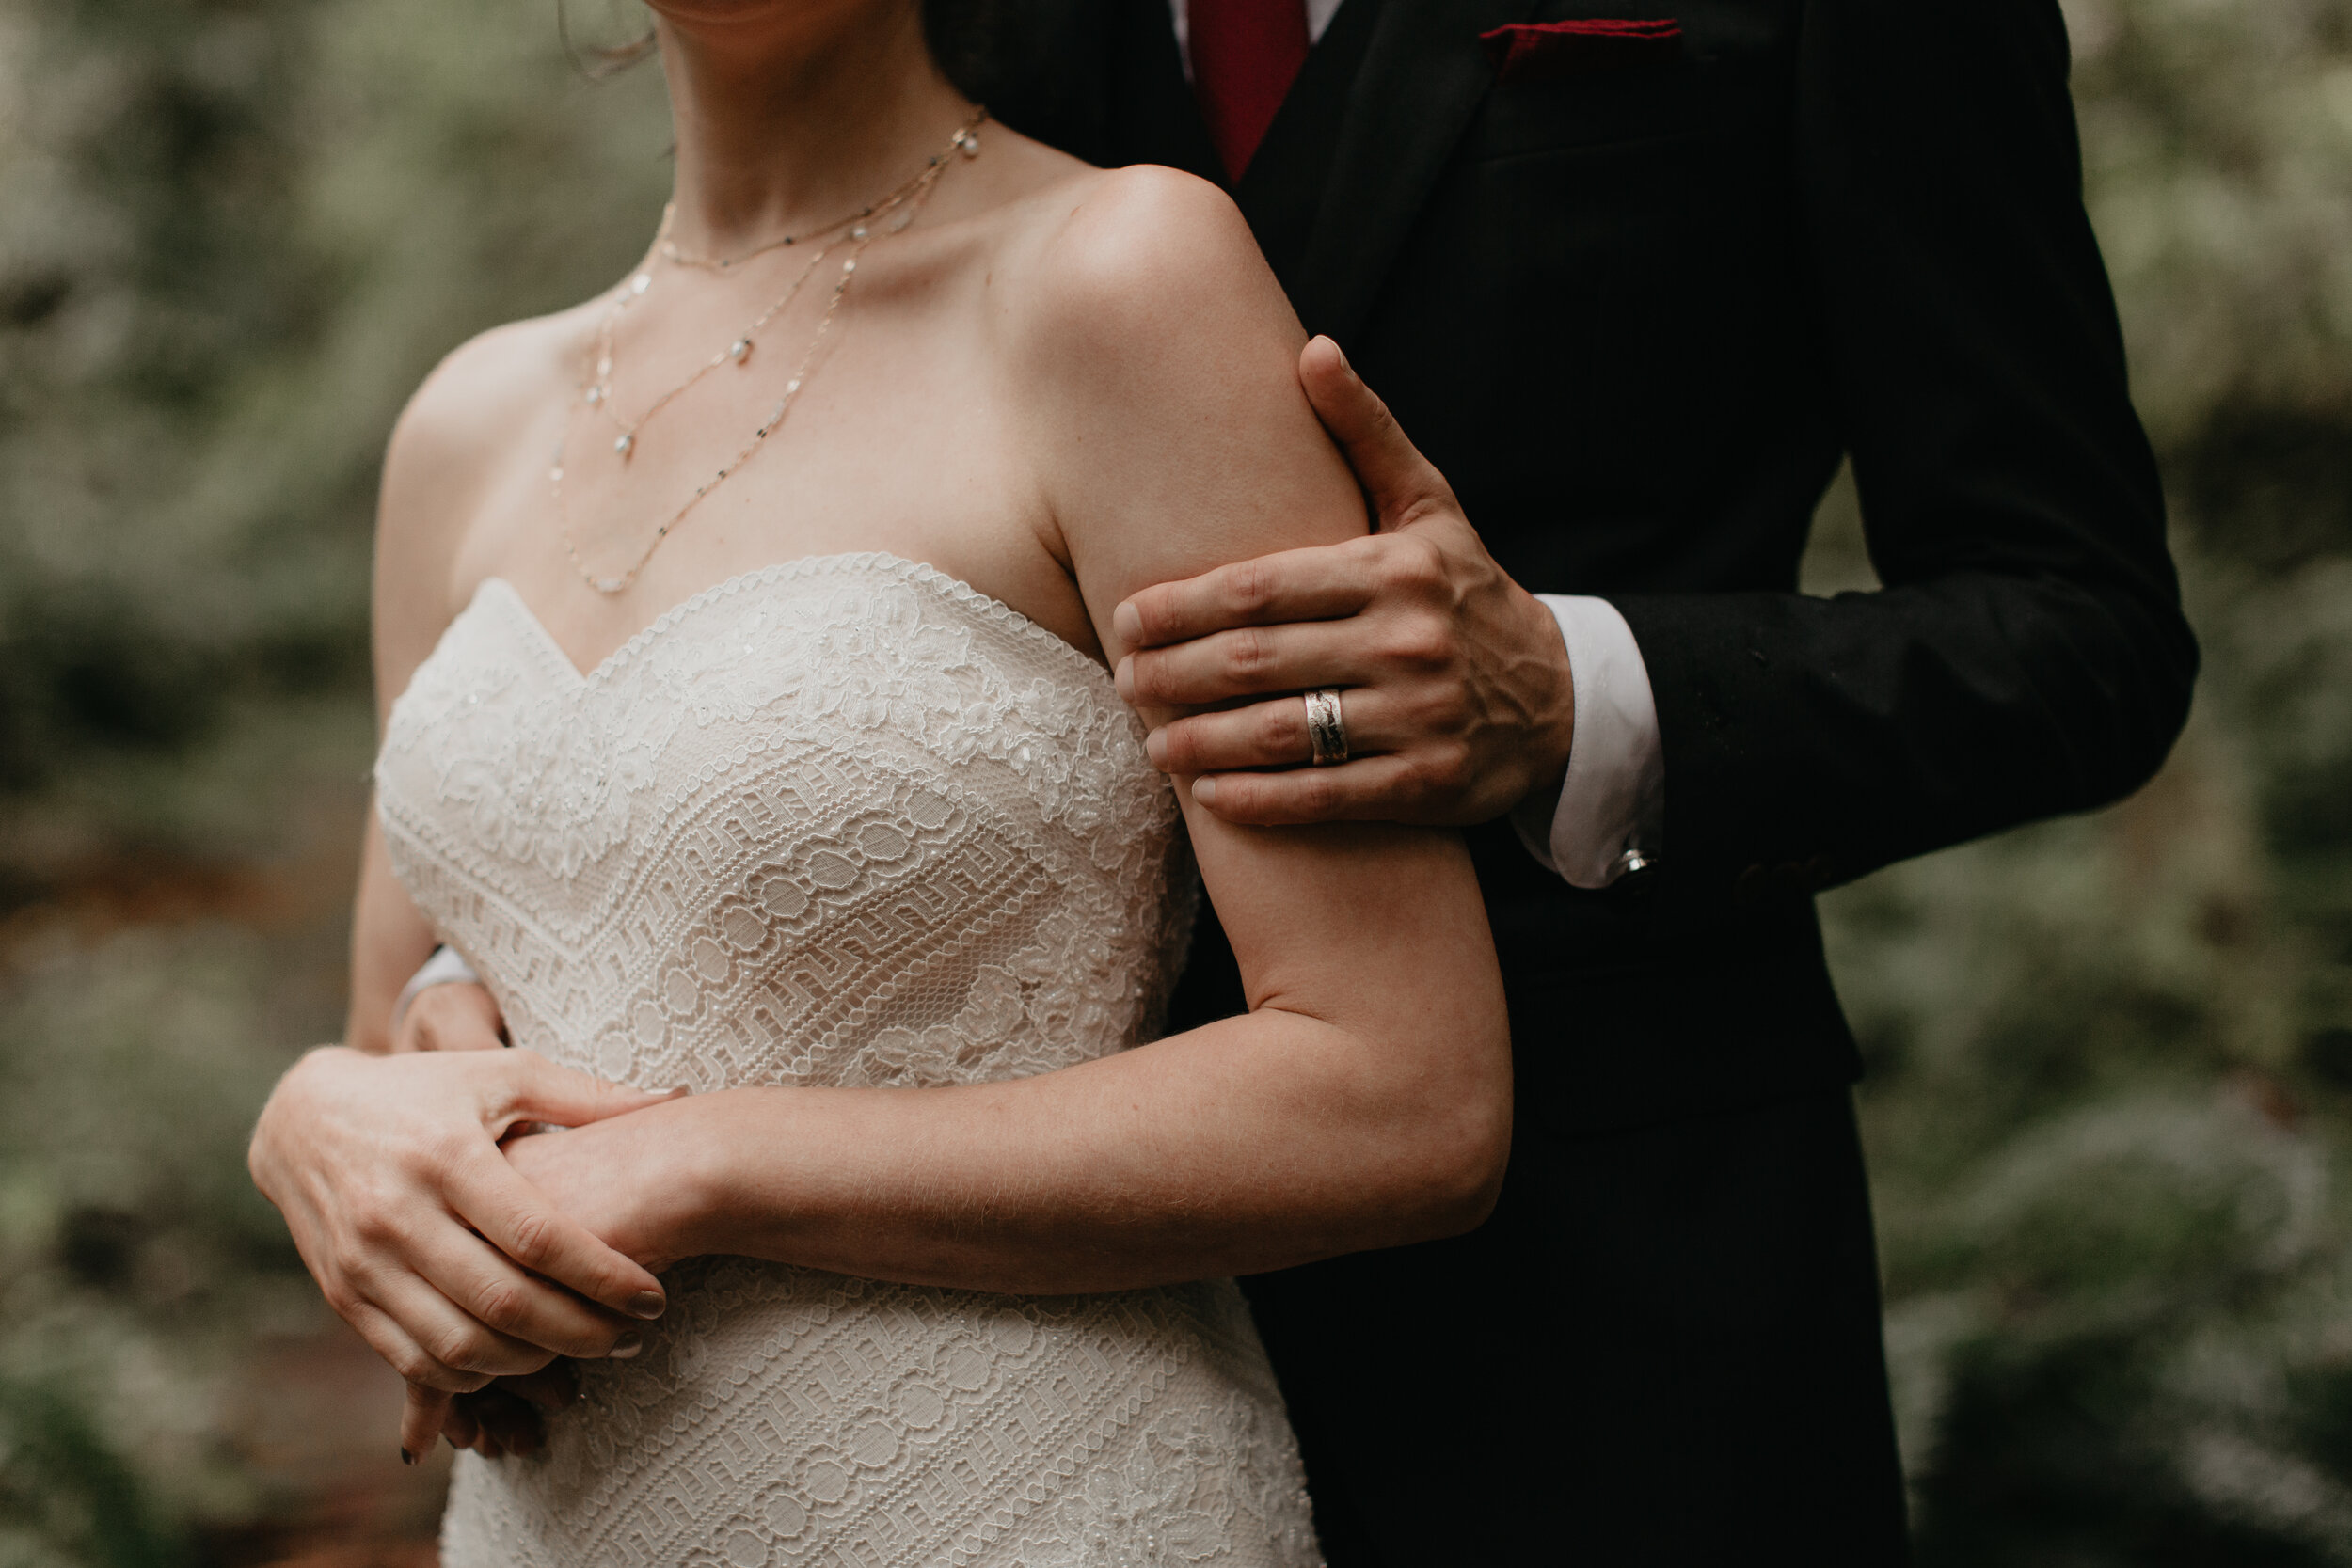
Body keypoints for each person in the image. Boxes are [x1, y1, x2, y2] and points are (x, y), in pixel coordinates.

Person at [389, 0, 2201, 1560]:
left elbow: (2083, 628)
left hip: (1610, 1282)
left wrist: (1568, 688)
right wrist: (382, 1069)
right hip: (949, 1315)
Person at [244, 2, 1518, 1563]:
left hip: (1027, 1498)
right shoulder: (464, 425)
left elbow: (1405, 1095)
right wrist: (313, 1116)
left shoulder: (1125, 281)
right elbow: (404, 1051)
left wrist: (714, 1160)